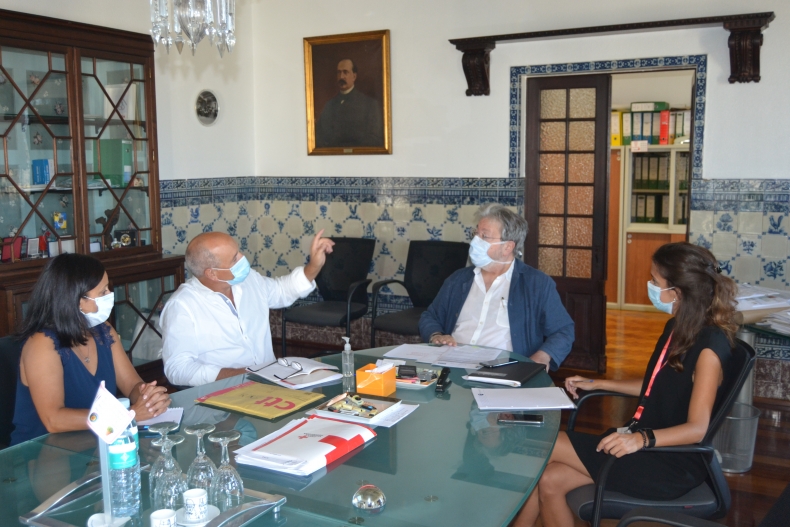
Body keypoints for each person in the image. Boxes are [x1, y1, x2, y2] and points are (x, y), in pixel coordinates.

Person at [512, 242, 739, 527]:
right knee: (550, 480)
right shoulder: (679, 327)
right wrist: (597, 383)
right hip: (643, 443)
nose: (650, 286)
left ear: (677, 292)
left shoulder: (708, 349)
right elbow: (656, 384)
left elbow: (697, 429)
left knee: (546, 443)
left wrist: (640, 440)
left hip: (667, 461)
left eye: (655, 281)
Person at [10, 254, 170, 445]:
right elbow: (54, 420)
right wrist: (128, 415)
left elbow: (132, 384)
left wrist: (148, 397)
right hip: (42, 451)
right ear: (76, 299)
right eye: (103, 292)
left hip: (93, 441)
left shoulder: (103, 331)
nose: (109, 294)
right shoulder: (41, 344)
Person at [160, 230, 334, 386]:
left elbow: (282, 291)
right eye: (234, 258)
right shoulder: (182, 306)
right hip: (222, 394)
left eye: (238, 251)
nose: (243, 258)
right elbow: (178, 369)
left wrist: (315, 265)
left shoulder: (249, 280)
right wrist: (245, 374)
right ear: (212, 273)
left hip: (272, 383)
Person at [419, 203, 574, 371]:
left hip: (504, 372)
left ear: (507, 247)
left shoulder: (536, 284)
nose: (475, 241)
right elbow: (430, 316)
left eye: (484, 236)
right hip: (452, 367)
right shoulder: (459, 279)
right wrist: (436, 336)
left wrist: (544, 355)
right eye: (476, 233)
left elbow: (563, 330)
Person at [314, 58, 384, 148]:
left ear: (354, 76)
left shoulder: (370, 104)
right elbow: (319, 137)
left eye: (345, 72)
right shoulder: (329, 105)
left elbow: (375, 139)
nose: (341, 77)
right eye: (339, 72)